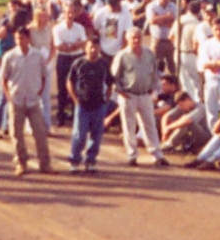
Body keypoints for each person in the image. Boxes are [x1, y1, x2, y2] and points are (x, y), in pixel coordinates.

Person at [0, 26, 52, 176]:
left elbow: (44, 76)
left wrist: (39, 92)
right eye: (17, 38)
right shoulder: (9, 56)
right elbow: (4, 78)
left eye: (22, 38)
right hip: (16, 100)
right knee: (16, 134)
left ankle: (45, 164)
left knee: (40, 133)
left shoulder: (38, 56)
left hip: (33, 101)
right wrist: (9, 96)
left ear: (28, 39)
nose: (19, 41)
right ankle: (21, 163)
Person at [111, 26, 166, 167]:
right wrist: (120, 92)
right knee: (129, 126)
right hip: (128, 95)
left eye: (138, 37)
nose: (136, 40)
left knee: (150, 125)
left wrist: (153, 88)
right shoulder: (122, 55)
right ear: (128, 40)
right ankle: (132, 155)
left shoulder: (149, 54)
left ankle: (157, 154)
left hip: (145, 94)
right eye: (133, 38)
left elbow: (154, 72)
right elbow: (114, 76)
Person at [67, 37, 111, 173]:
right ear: (85, 48)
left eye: (96, 47)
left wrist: (107, 98)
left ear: (99, 48)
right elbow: (70, 82)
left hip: (99, 105)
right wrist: (75, 99)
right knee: (79, 135)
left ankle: (91, 161)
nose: (93, 50)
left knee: (96, 136)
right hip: (83, 105)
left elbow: (110, 82)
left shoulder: (103, 64)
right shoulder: (79, 63)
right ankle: (74, 161)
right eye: (90, 47)